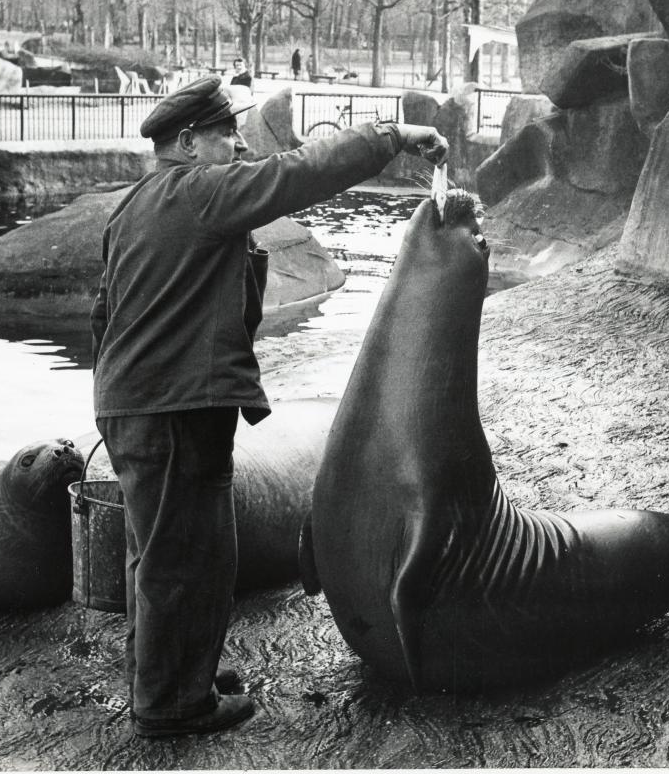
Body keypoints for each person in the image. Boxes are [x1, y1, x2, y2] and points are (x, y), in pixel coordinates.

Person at [90, 75, 446, 738]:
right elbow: (298, 174)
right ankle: (171, 705)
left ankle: (172, 671)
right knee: (186, 557)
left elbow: (104, 312)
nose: (236, 143)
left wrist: (120, 392)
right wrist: (391, 137)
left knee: (165, 549)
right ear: (189, 142)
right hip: (173, 410)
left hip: (137, 403)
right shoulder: (201, 192)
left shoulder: (134, 202)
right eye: (225, 134)